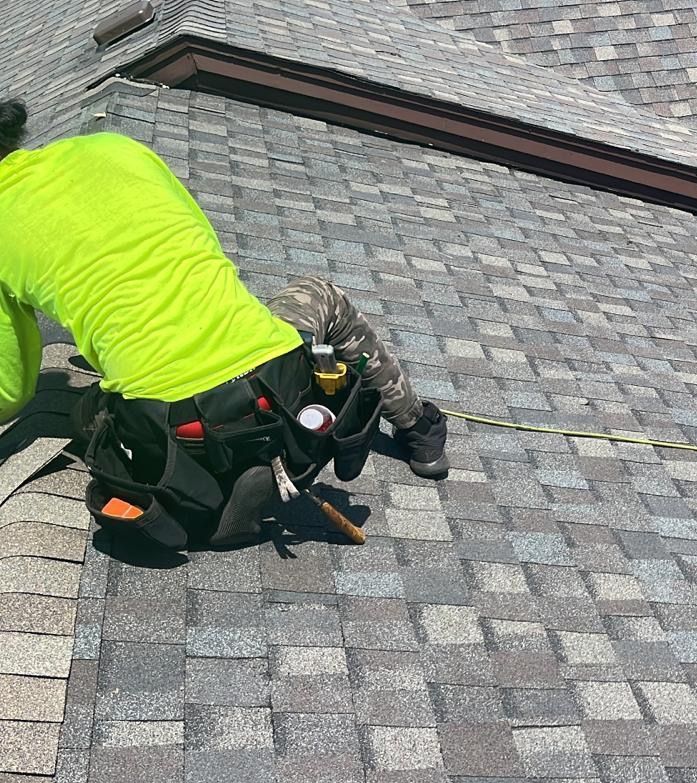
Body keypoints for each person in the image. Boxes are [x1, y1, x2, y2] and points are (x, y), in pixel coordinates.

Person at [0, 98, 450, 546]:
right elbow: (205, 245)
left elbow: (12, 390)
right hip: (281, 379)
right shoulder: (113, 148)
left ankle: (209, 494)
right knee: (321, 295)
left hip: (169, 424)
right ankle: (419, 429)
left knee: (86, 409)